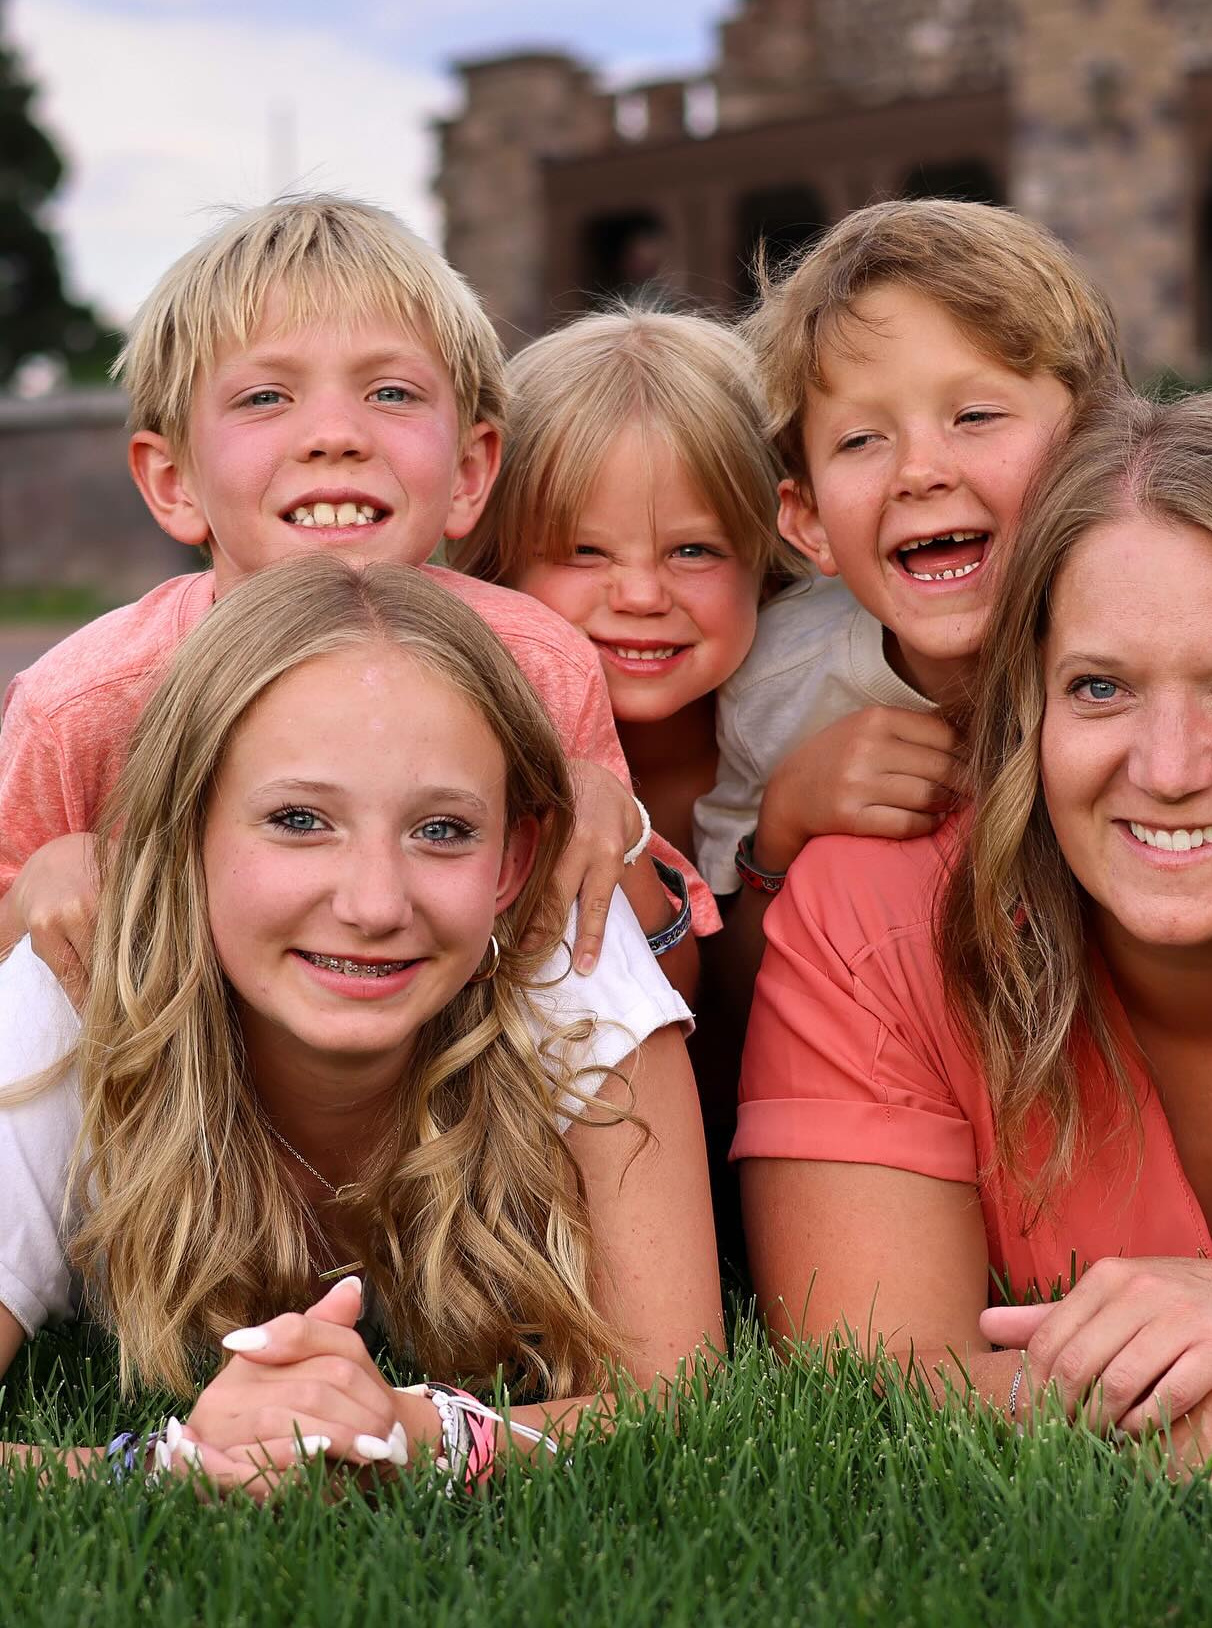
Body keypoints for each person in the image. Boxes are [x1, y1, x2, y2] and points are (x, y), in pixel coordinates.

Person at [736, 388, 1212, 1504]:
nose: (1166, 769)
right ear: (1031, 706)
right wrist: (1144, 1395)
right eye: (1100, 688)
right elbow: (865, 1378)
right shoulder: (882, 920)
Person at [0, 558, 723, 1493]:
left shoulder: (570, 954)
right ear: (185, 836)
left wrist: (412, 1432)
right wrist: (177, 1469)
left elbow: (679, 1398)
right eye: (300, 820)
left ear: (513, 863)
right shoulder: (77, 982)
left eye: (442, 831)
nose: (375, 904)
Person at [0, 194, 712, 1000]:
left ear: (469, 472)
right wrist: (34, 897)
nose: (335, 434)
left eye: (392, 394)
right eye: (266, 397)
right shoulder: (78, 707)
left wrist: (612, 833)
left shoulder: (539, 668)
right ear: (175, 482)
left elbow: (658, 1000)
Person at [689, 196, 1128, 1022]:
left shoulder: (1173, 639)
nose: (920, 471)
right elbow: (730, 1016)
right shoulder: (777, 684)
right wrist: (781, 831)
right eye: (862, 440)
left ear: (1098, 447)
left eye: (976, 416)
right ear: (809, 522)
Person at [458, 304, 801, 874]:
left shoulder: (822, 730)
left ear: (773, 559)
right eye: (584, 550)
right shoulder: (454, 754)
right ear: (496, 565)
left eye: (693, 551)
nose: (641, 598)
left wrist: (782, 835)